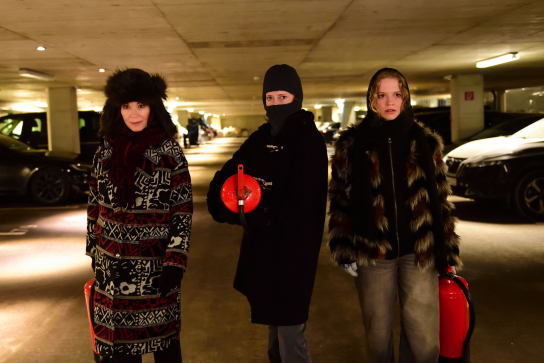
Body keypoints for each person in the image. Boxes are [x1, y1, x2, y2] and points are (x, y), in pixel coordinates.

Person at [328, 68, 461, 363]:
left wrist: (448, 249)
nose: (390, 102)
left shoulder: (426, 142)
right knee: (377, 335)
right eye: (382, 95)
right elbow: (339, 199)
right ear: (372, 100)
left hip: (418, 252)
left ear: (405, 98)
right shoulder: (351, 145)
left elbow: (439, 200)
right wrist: (344, 249)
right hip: (374, 253)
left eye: (396, 94)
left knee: (424, 338)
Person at [207, 64, 328, 363]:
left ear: (296, 98)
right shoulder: (260, 139)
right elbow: (226, 179)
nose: (276, 104)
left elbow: (300, 203)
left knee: (290, 336)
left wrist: (259, 216)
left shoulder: (309, 142)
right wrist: (229, 209)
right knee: (275, 339)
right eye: (270, 98)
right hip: (263, 254)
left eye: (283, 97)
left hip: (293, 255)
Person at [86, 68, 192, 363]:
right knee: (118, 353)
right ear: (116, 109)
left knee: (164, 348)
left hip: (155, 271)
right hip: (111, 272)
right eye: (126, 106)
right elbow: (94, 205)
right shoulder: (105, 151)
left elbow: (181, 210)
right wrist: (94, 250)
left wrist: (176, 260)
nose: (134, 114)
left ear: (153, 107)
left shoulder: (169, 151)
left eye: (141, 105)